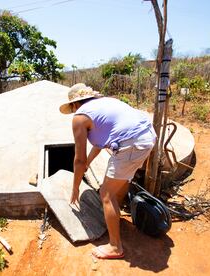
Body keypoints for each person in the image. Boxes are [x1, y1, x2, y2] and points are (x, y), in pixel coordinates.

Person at [59, 83, 156, 259]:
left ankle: (115, 247)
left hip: (131, 144)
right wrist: (88, 163)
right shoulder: (105, 104)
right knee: (120, 181)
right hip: (147, 137)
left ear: (75, 104)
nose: (73, 112)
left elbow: (78, 160)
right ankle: (113, 217)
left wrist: (75, 187)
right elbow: (98, 145)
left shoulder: (80, 117)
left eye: (72, 108)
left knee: (106, 193)